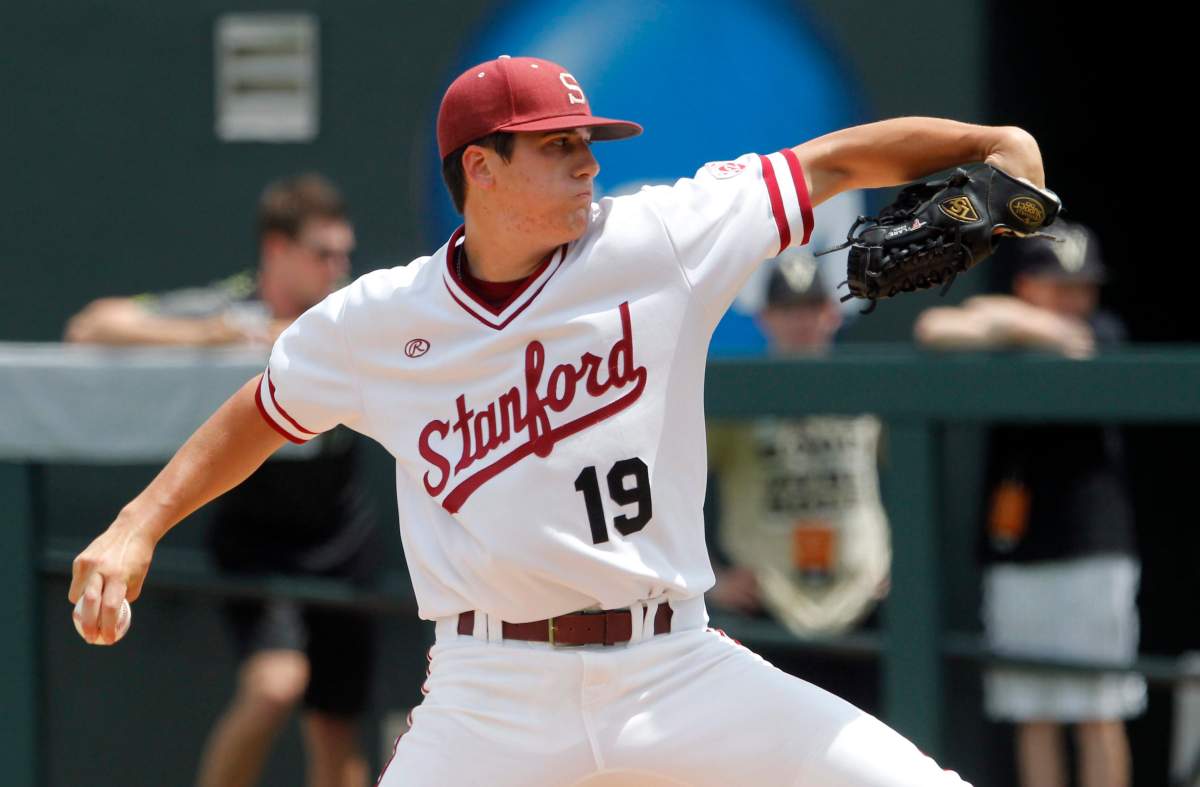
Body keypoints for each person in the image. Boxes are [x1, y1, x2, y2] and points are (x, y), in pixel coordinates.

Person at [71, 54, 1052, 786]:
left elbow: (835, 161)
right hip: (488, 692)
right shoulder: (381, 319)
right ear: (480, 169)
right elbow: (262, 410)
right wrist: (136, 524)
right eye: (558, 145)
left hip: (675, 667)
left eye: (588, 142)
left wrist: (1000, 151)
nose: (588, 163)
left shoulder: (660, 237)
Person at [65, 174, 379, 787]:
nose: (337, 267)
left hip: (342, 538)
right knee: (273, 684)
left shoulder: (351, 313)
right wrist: (215, 335)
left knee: (335, 728)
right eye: (323, 253)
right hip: (258, 542)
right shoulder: (230, 307)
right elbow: (93, 325)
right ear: (277, 250)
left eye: (344, 253)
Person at [914, 219, 1144, 787]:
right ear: (1026, 286)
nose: (1073, 300)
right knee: (1032, 711)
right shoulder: (1006, 334)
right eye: (1058, 285)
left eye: (1081, 287)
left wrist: (1024, 326)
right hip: (1016, 548)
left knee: (1098, 709)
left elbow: (1084, 342)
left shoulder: (1105, 331)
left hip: (1093, 545)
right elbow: (933, 328)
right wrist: (1020, 326)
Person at [707, 250, 890, 639]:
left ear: (832, 313)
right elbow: (674, 487)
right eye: (788, 310)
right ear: (765, 318)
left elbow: (912, 481)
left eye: (811, 308)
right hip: (768, 599)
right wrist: (712, 577)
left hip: (862, 596)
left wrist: (899, 566)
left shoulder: (865, 390)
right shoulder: (739, 398)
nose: (801, 322)